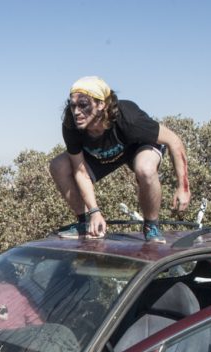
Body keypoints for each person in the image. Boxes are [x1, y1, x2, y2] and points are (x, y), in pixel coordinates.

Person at [49, 76, 190, 243]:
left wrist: (183, 187)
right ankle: (84, 222)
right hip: (102, 154)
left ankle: (151, 225)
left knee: (145, 169)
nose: (76, 112)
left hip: (137, 147)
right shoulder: (71, 124)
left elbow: (174, 141)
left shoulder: (129, 118)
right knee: (59, 165)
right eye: (73, 106)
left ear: (101, 104)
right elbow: (80, 172)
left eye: (83, 105)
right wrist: (94, 212)